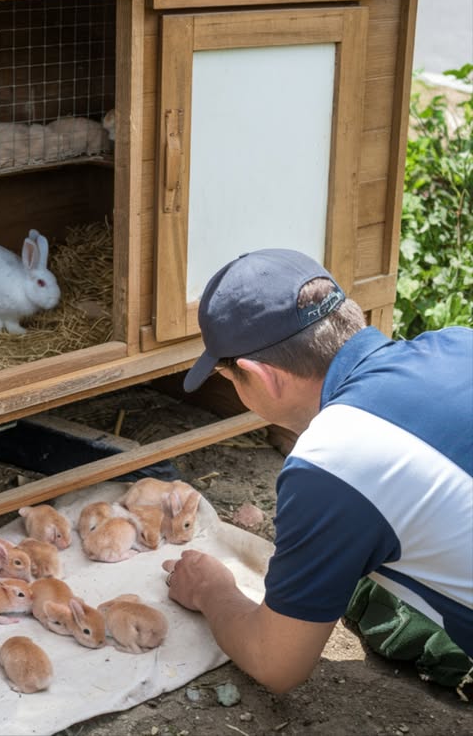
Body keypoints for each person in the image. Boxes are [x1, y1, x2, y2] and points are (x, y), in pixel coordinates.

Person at [162, 248, 472, 694]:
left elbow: (277, 664)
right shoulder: (458, 342)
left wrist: (212, 591)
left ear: (260, 376)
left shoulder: (332, 462)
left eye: (230, 380)